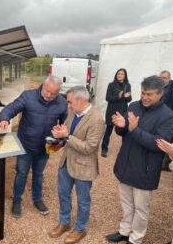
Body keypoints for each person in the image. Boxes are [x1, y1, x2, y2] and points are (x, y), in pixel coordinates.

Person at [106, 75, 173, 244]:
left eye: (149, 94)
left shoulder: (168, 116)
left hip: (145, 169)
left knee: (141, 208)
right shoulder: (134, 105)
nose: (144, 97)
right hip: (126, 164)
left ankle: (136, 238)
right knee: (126, 203)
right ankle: (125, 230)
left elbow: (159, 144)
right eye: (143, 92)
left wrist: (134, 130)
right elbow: (123, 132)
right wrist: (120, 127)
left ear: (160, 94)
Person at [0, 76, 68, 218]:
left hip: (45, 147)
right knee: (21, 173)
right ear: (43, 86)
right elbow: (12, 107)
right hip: (26, 145)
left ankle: (37, 199)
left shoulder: (61, 102)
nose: (49, 95)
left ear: (58, 92)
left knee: (38, 174)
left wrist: (62, 135)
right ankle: (17, 201)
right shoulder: (28, 96)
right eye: (47, 91)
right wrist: (4, 118)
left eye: (53, 93)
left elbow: (65, 122)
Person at [48, 86, 104, 244]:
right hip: (66, 162)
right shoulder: (73, 112)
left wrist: (67, 136)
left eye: (70, 102)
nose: (68, 105)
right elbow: (66, 131)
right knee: (63, 194)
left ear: (81, 100)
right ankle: (64, 222)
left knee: (83, 200)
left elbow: (89, 148)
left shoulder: (97, 119)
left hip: (84, 166)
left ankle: (80, 229)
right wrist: (60, 132)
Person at [101, 68, 132, 157]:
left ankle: (124, 150)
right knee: (108, 130)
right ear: (116, 75)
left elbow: (129, 99)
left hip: (123, 111)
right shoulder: (111, 85)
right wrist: (118, 96)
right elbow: (108, 98)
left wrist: (126, 97)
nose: (120, 75)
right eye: (118, 74)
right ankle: (104, 148)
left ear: (125, 76)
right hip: (112, 111)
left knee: (124, 131)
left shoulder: (127, 85)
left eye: (122, 74)